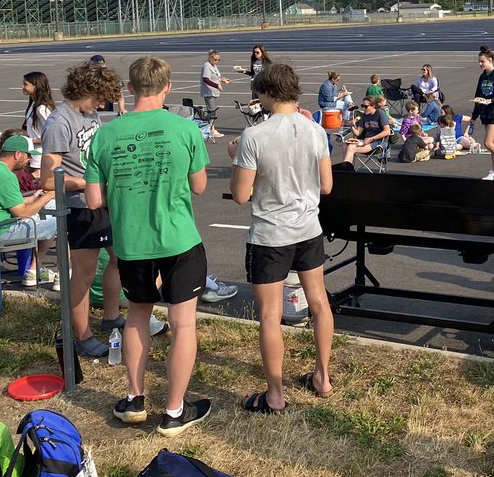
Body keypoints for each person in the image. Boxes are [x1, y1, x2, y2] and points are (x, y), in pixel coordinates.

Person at [86, 57, 211, 437]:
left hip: (132, 241)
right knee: (182, 322)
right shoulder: (184, 128)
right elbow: (200, 186)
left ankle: (135, 398)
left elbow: (94, 201)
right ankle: (174, 411)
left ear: (130, 87)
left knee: (138, 313)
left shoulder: (106, 134)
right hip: (178, 238)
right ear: (167, 87)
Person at [228, 63, 334, 411]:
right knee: (318, 303)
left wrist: (236, 160)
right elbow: (327, 185)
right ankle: (323, 376)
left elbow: (241, 195)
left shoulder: (254, 136)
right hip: (308, 228)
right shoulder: (315, 129)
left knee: (270, 314)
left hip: (271, 234)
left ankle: (274, 394)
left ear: (269, 93)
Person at [41, 61, 125, 358]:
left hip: (102, 200)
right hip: (80, 208)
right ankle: (82, 335)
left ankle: (111, 316)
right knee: (85, 274)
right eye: (100, 96)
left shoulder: (89, 113)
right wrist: (86, 182)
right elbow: (49, 179)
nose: (103, 104)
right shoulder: (59, 123)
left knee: (119, 258)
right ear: (87, 89)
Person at [0, 130, 57, 287]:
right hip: (3, 231)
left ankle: (35, 268)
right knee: (63, 220)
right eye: (27, 155)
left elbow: (8, 202)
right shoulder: (6, 176)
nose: (29, 160)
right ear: (17, 154)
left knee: (52, 213)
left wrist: (34, 198)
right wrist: (48, 196)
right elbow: (22, 213)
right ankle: (59, 273)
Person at [461, 45, 494, 181]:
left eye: (482, 61)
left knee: (488, 143)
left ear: (490, 60)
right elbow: (478, 96)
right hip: (485, 113)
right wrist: (474, 116)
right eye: (479, 61)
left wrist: (490, 101)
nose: (480, 64)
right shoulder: (482, 76)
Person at [341, 97, 391, 167]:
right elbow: (358, 133)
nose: (364, 108)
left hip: (379, 142)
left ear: (373, 106)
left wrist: (372, 139)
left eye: (366, 106)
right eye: (362, 106)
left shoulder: (380, 113)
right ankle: (348, 168)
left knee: (351, 147)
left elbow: (387, 131)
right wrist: (351, 126)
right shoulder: (364, 115)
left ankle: (346, 169)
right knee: (345, 144)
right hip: (366, 141)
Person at [21, 72, 54, 178]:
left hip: (39, 155)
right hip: (32, 153)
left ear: (36, 86)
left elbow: (52, 134)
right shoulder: (33, 104)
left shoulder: (42, 109)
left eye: (25, 84)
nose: (22, 86)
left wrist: (29, 141)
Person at [199, 50, 230, 139]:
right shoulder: (206, 66)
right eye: (216, 59)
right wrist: (216, 85)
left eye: (218, 60)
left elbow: (217, 76)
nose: (217, 61)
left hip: (213, 91)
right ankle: (211, 130)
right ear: (210, 58)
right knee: (211, 111)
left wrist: (223, 79)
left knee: (212, 111)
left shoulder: (214, 66)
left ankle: (210, 129)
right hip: (208, 91)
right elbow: (206, 79)